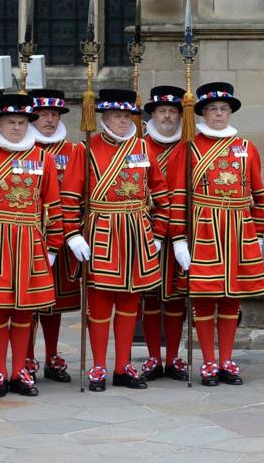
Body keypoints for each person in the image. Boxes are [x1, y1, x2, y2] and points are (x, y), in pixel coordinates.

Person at [63, 89, 172, 392]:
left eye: (127, 116)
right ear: (104, 118)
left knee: (129, 302)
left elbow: (162, 194)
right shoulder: (85, 149)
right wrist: (72, 233)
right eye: (116, 116)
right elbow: (69, 198)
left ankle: (123, 366)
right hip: (101, 231)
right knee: (99, 304)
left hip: (138, 231)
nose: (123, 122)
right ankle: (98, 366)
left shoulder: (143, 148)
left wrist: (160, 233)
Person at [166, 82, 264, 387]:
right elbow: (178, 197)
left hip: (238, 230)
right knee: (204, 298)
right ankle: (209, 361)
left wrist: (259, 230)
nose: (218, 114)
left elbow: (259, 193)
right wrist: (179, 239)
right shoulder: (188, 147)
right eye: (212, 109)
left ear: (230, 112)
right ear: (203, 113)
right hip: (203, 230)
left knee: (230, 299)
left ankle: (227, 359)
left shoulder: (246, 147)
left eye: (223, 109)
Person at [0, 94, 63, 398]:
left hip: (30, 241)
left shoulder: (43, 158)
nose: (16, 127)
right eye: (10, 122)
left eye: (21, 122)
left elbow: (52, 203)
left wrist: (54, 245)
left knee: (24, 312)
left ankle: (19, 371)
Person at [26, 89, 78, 384]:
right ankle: (27, 356)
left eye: (54, 114)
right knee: (28, 300)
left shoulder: (72, 151)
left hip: (63, 236)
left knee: (56, 301)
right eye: (43, 114)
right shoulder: (23, 148)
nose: (48, 119)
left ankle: (53, 355)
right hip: (28, 236)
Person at [139, 86, 189, 382]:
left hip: (183, 234)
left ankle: (173, 357)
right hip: (148, 233)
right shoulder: (138, 145)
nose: (167, 116)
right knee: (150, 297)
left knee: (176, 298)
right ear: (153, 115)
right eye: (161, 111)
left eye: (172, 111)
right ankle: (152, 357)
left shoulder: (190, 145)